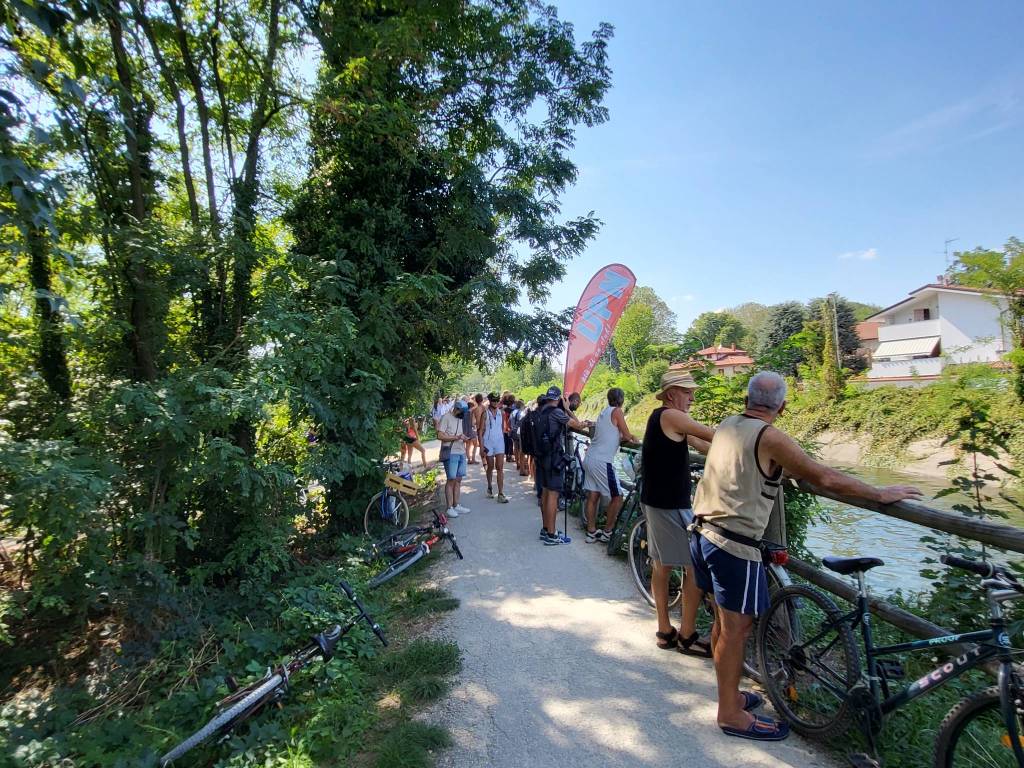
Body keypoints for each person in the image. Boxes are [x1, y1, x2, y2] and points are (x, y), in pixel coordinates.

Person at [690, 371, 921, 742]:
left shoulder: (729, 425)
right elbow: (823, 477)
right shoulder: (771, 437)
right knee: (736, 631)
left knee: (723, 624)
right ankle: (730, 714)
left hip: (703, 533)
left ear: (747, 398)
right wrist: (877, 494)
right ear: (782, 406)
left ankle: (729, 697)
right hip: (734, 544)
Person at [640, 369, 716, 658]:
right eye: (687, 392)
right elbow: (711, 434)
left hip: (659, 501)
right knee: (694, 566)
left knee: (662, 565)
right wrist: (751, 441)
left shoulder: (669, 420)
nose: (692, 397)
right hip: (669, 504)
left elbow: (704, 445)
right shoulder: (669, 416)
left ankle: (664, 630)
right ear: (672, 393)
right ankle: (686, 635)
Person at [535, 385, 589, 545]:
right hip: (553, 459)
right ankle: (552, 535)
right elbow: (578, 425)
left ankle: (545, 529)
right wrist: (567, 408)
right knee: (553, 495)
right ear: (559, 398)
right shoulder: (557, 412)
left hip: (541, 457)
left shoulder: (541, 411)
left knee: (545, 492)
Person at [582, 387, 637, 543]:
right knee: (618, 497)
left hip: (591, 457)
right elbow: (626, 435)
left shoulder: (604, 412)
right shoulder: (617, 411)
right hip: (602, 461)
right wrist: (633, 437)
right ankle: (607, 532)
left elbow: (611, 435)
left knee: (593, 495)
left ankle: (591, 532)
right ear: (621, 399)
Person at [437, 399, 472, 519]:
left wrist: (463, 438)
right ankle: (449, 507)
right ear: (456, 409)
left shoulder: (460, 418)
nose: (463, 414)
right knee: (451, 479)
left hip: (461, 450)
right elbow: (440, 435)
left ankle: (456, 504)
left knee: (458, 479)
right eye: (462, 412)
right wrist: (455, 437)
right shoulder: (446, 417)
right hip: (450, 452)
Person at [480, 392, 511, 503]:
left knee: (500, 468)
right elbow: (480, 431)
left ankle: (501, 493)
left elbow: (502, 428)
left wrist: (502, 440)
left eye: (497, 400)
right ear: (489, 400)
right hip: (488, 442)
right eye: (493, 400)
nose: (495, 402)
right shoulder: (485, 413)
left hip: (499, 442)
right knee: (490, 467)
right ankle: (489, 486)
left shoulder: (501, 413)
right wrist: (481, 446)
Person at [511, 399, 528, 476]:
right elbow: (522, 422)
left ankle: (517, 462)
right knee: (521, 449)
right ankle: (522, 466)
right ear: (521, 405)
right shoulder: (521, 412)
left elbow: (508, 422)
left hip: (513, 430)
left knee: (515, 447)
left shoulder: (512, 412)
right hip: (519, 431)